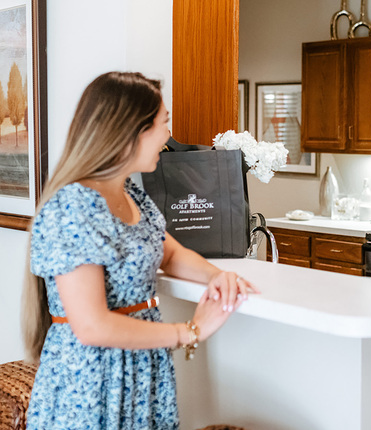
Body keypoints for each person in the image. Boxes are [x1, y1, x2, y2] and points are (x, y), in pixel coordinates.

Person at [22, 71, 257, 429]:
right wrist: (191, 330)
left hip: (141, 368)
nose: (168, 136)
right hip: (91, 378)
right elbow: (91, 326)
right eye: (164, 123)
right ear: (131, 131)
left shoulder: (130, 194)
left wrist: (217, 275)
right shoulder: (71, 208)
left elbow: (170, 254)